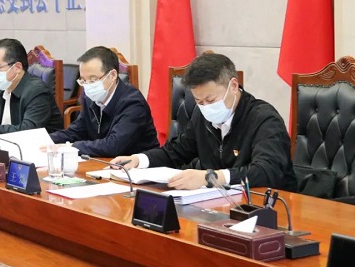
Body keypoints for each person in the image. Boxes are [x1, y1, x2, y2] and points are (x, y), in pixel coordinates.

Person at [112, 53, 297, 191]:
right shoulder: (202, 116)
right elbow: (176, 151)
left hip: (268, 207)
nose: (206, 107)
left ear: (233, 86)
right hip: (219, 204)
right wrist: (138, 160)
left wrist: (210, 177)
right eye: (199, 102)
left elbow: (267, 171)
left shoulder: (264, 118)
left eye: (211, 100)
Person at [49, 46, 158, 156]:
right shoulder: (90, 97)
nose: (88, 86)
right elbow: (76, 131)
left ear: (113, 75)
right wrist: (45, 140)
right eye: (83, 80)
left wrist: (71, 147)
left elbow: (113, 145)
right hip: (103, 161)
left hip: (134, 164)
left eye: (93, 80)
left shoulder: (133, 103)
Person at [0, 38, 63, 134]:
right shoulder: (3, 87)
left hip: (43, 145)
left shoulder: (37, 91)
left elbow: (28, 130)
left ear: (17, 67)